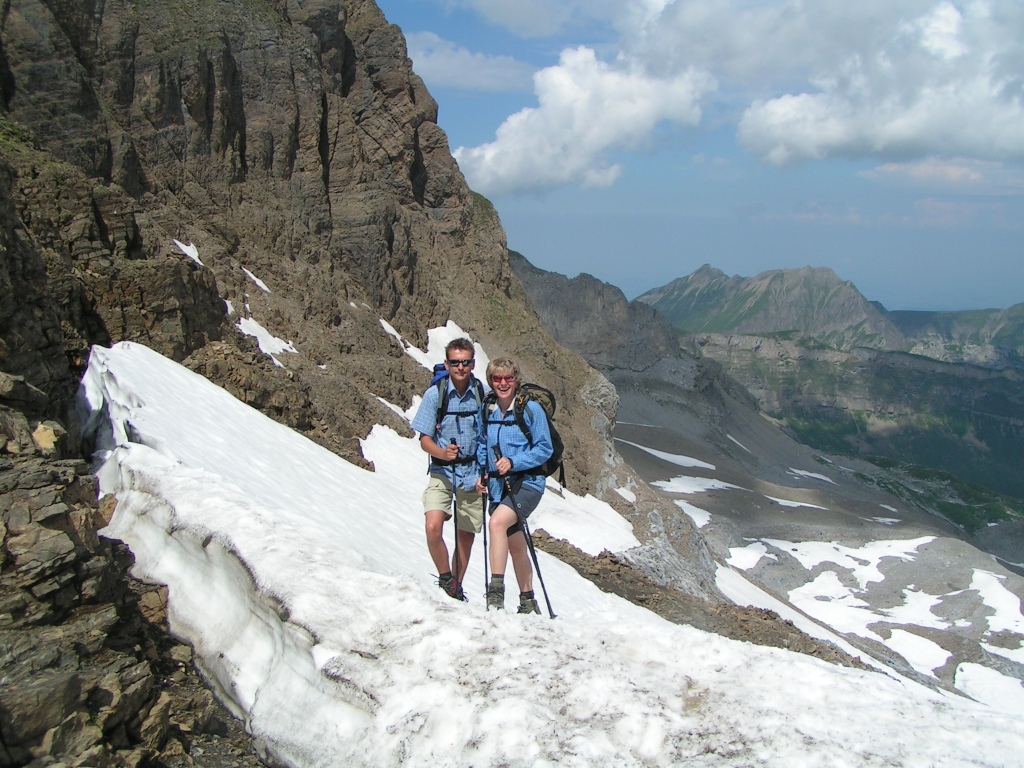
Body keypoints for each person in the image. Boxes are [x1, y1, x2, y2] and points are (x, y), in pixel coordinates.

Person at [409, 338, 485, 601]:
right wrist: (442, 453)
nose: (460, 367)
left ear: (472, 363)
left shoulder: (482, 393)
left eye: (465, 362)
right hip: (442, 471)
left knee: (466, 535)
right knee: (433, 526)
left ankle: (456, 586)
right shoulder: (435, 394)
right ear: (447, 363)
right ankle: (446, 578)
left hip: (472, 474)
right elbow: (424, 439)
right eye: (455, 362)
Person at [476, 357, 553, 613]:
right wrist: (482, 473)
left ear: (516, 380)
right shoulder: (488, 408)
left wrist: (514, 462)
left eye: (508, 378)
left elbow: (544, 448)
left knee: (497, 523)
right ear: (491, 381)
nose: (503, 383)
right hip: (499, 487)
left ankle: (495, 595)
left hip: (528, 483)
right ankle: (528, 602)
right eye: (497, 378)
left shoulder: (530, 409)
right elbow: (483, 443)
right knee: (516, 543)